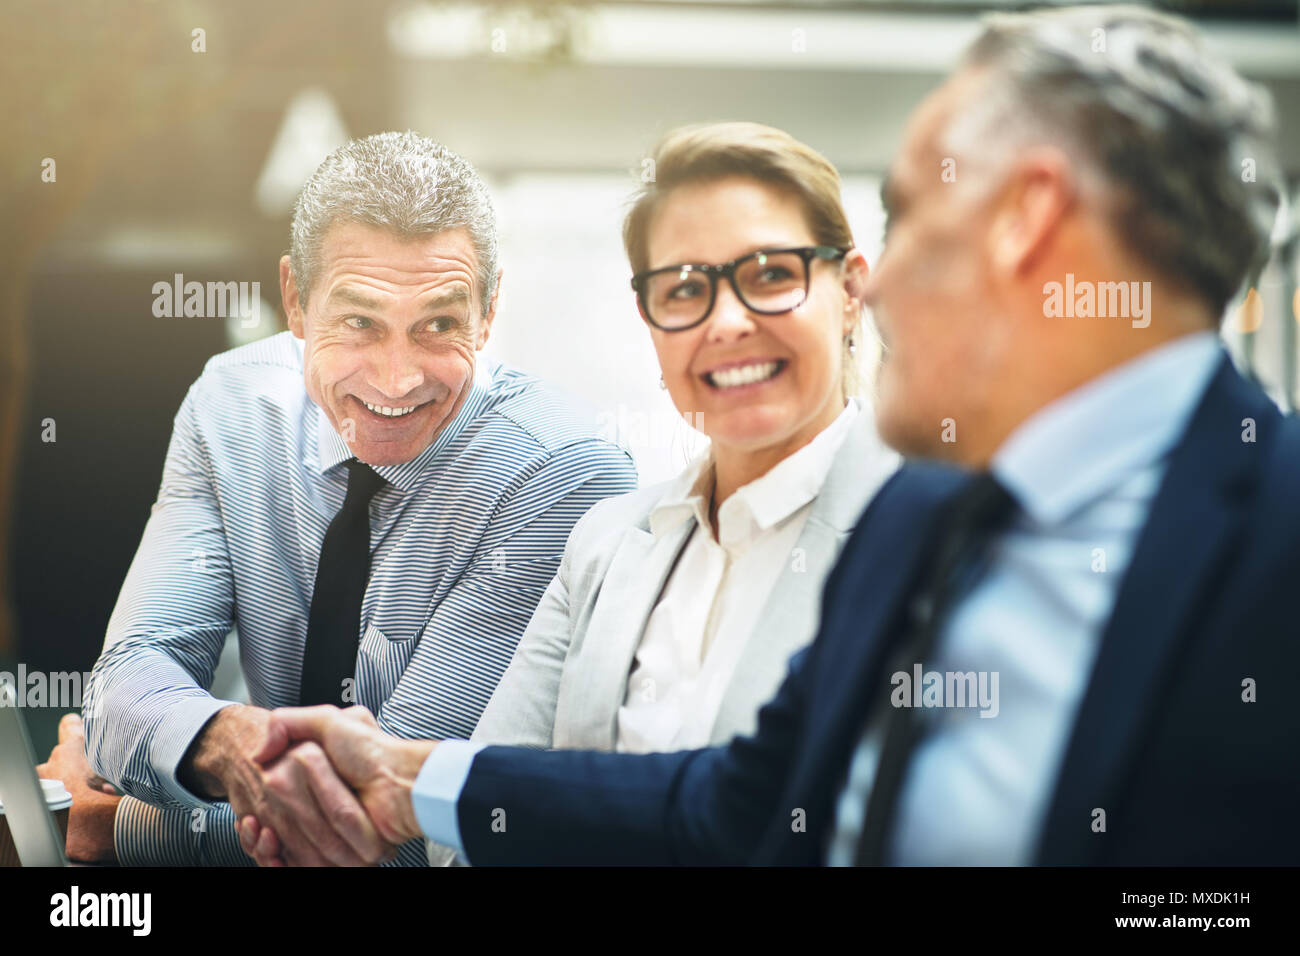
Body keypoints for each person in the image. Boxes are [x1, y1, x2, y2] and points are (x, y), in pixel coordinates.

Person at [242, 4, 1298, 866]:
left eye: (913, 210)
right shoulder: (926, 523)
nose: (882, 278)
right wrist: (397, 775)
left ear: (1027, 219)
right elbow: (739, 803)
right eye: (682, 289)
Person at [40, 131, 637, 866]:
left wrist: (115, 821)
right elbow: (125, 685)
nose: (396, 379)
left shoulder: (564, 476)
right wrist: (235, 744)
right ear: (295, 300)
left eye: (440, 325)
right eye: (359, 322)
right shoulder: (229, 406)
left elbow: (403, 833)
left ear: (488, 312)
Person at [407, 123, 896, 865]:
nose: (727, 323)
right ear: (651, 320)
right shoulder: (606, 542)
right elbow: (471, 831)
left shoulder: (925, 532)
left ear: (852, 290)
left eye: (769, 275)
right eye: (686, 289)